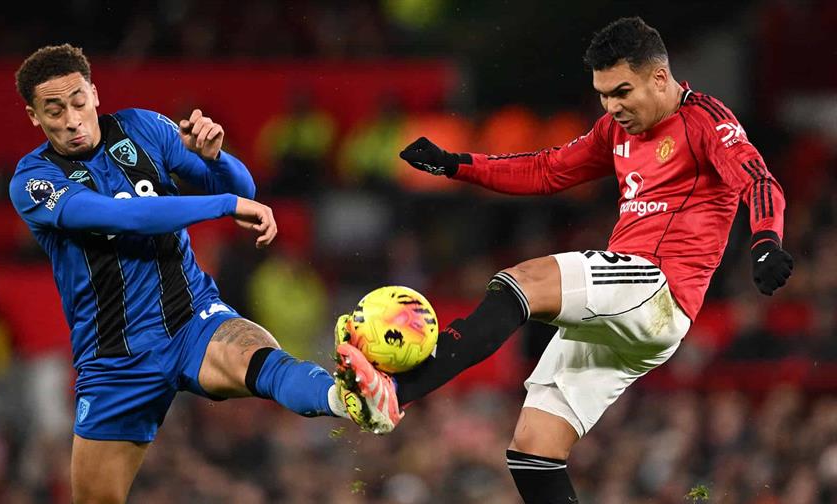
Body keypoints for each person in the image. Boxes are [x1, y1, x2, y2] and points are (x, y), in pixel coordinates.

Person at [335, 17, 794, 503]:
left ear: (660, 77)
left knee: (522, 281)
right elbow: (548, 170)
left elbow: (758, 180)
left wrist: (766, 240)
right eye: (603, 95)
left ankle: (400, 391)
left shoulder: (706, 120)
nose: (612, 107)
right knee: (533, 450)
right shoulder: (614, 130)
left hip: (657, 289)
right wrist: (457, 165)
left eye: (622, 92)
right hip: (627, 317)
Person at [9, 44, 398, 504]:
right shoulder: (34, 181)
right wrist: (224, 205)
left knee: (260, 359)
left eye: (78, 102)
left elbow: (242, 188)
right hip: (115, 360)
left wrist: (217, 159)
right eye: (55, 111)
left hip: (192, 319)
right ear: (34, 116)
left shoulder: (143, 127)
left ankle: (350, 399)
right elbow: (124, 217)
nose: (72, 120)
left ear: (94, 94)